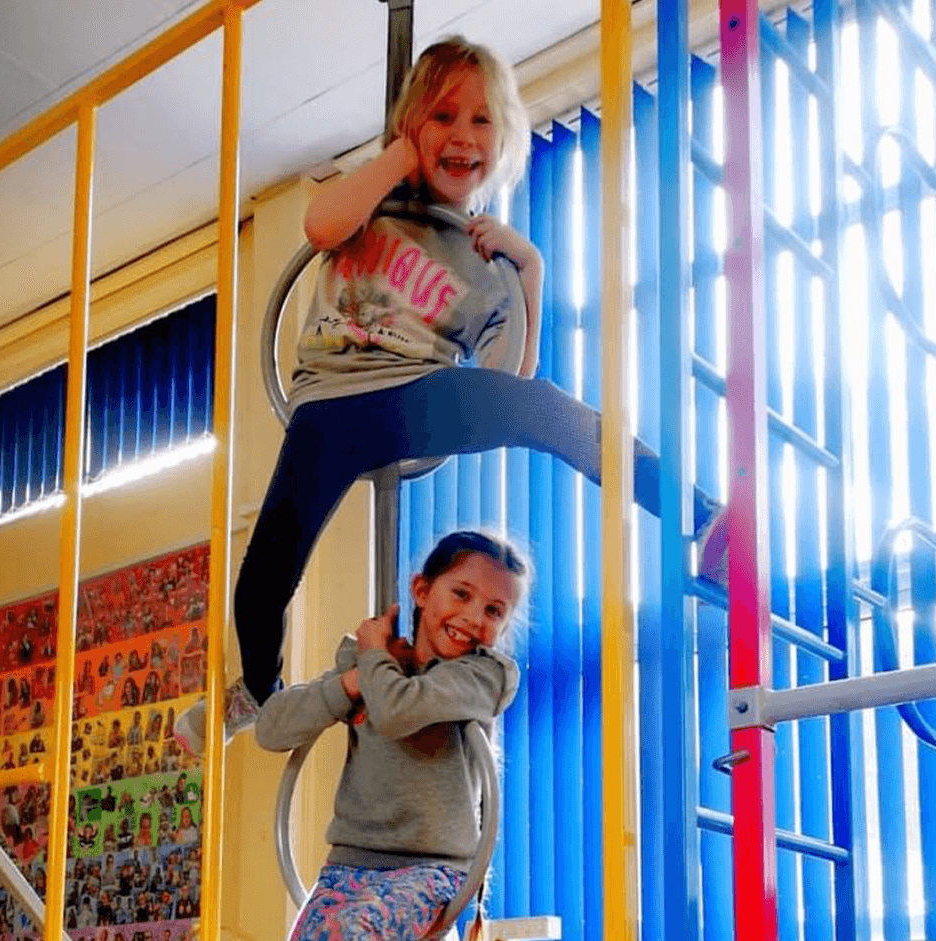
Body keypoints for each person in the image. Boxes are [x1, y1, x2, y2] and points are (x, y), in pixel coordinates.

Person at [173, 35, 727, 756]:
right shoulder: (374, 199)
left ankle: (696, 515)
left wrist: (529, 268)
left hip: (416, 397)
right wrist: (399, 154)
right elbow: (319, 225)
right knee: (267, 569)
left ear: (504, 140)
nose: (462, 136)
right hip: (328, 405)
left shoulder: (488, 260)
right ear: (411, 128)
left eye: (481, 121)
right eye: (441, 118)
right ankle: (254, 686)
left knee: (545, 407)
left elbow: (511, 384)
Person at [257, 530, 528, 941]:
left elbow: (396, 711)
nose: (474, 617)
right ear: (421, 590)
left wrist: (372, 660)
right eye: (461, 594)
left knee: (350, 934)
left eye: (494, 611)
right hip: (349, 867)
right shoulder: (374, 669)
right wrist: (352, 682)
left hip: (433, 869)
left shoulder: (482, 677)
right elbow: (270, 729)